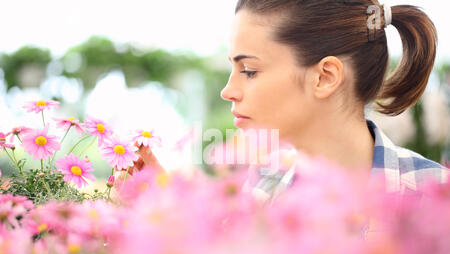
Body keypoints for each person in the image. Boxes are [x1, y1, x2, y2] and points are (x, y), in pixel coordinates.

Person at [121, 0, 449, 204]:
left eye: (248, 70)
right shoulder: (262, 188)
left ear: (325, 77)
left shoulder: (434, 199)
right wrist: (160, 198)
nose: (227, 91)